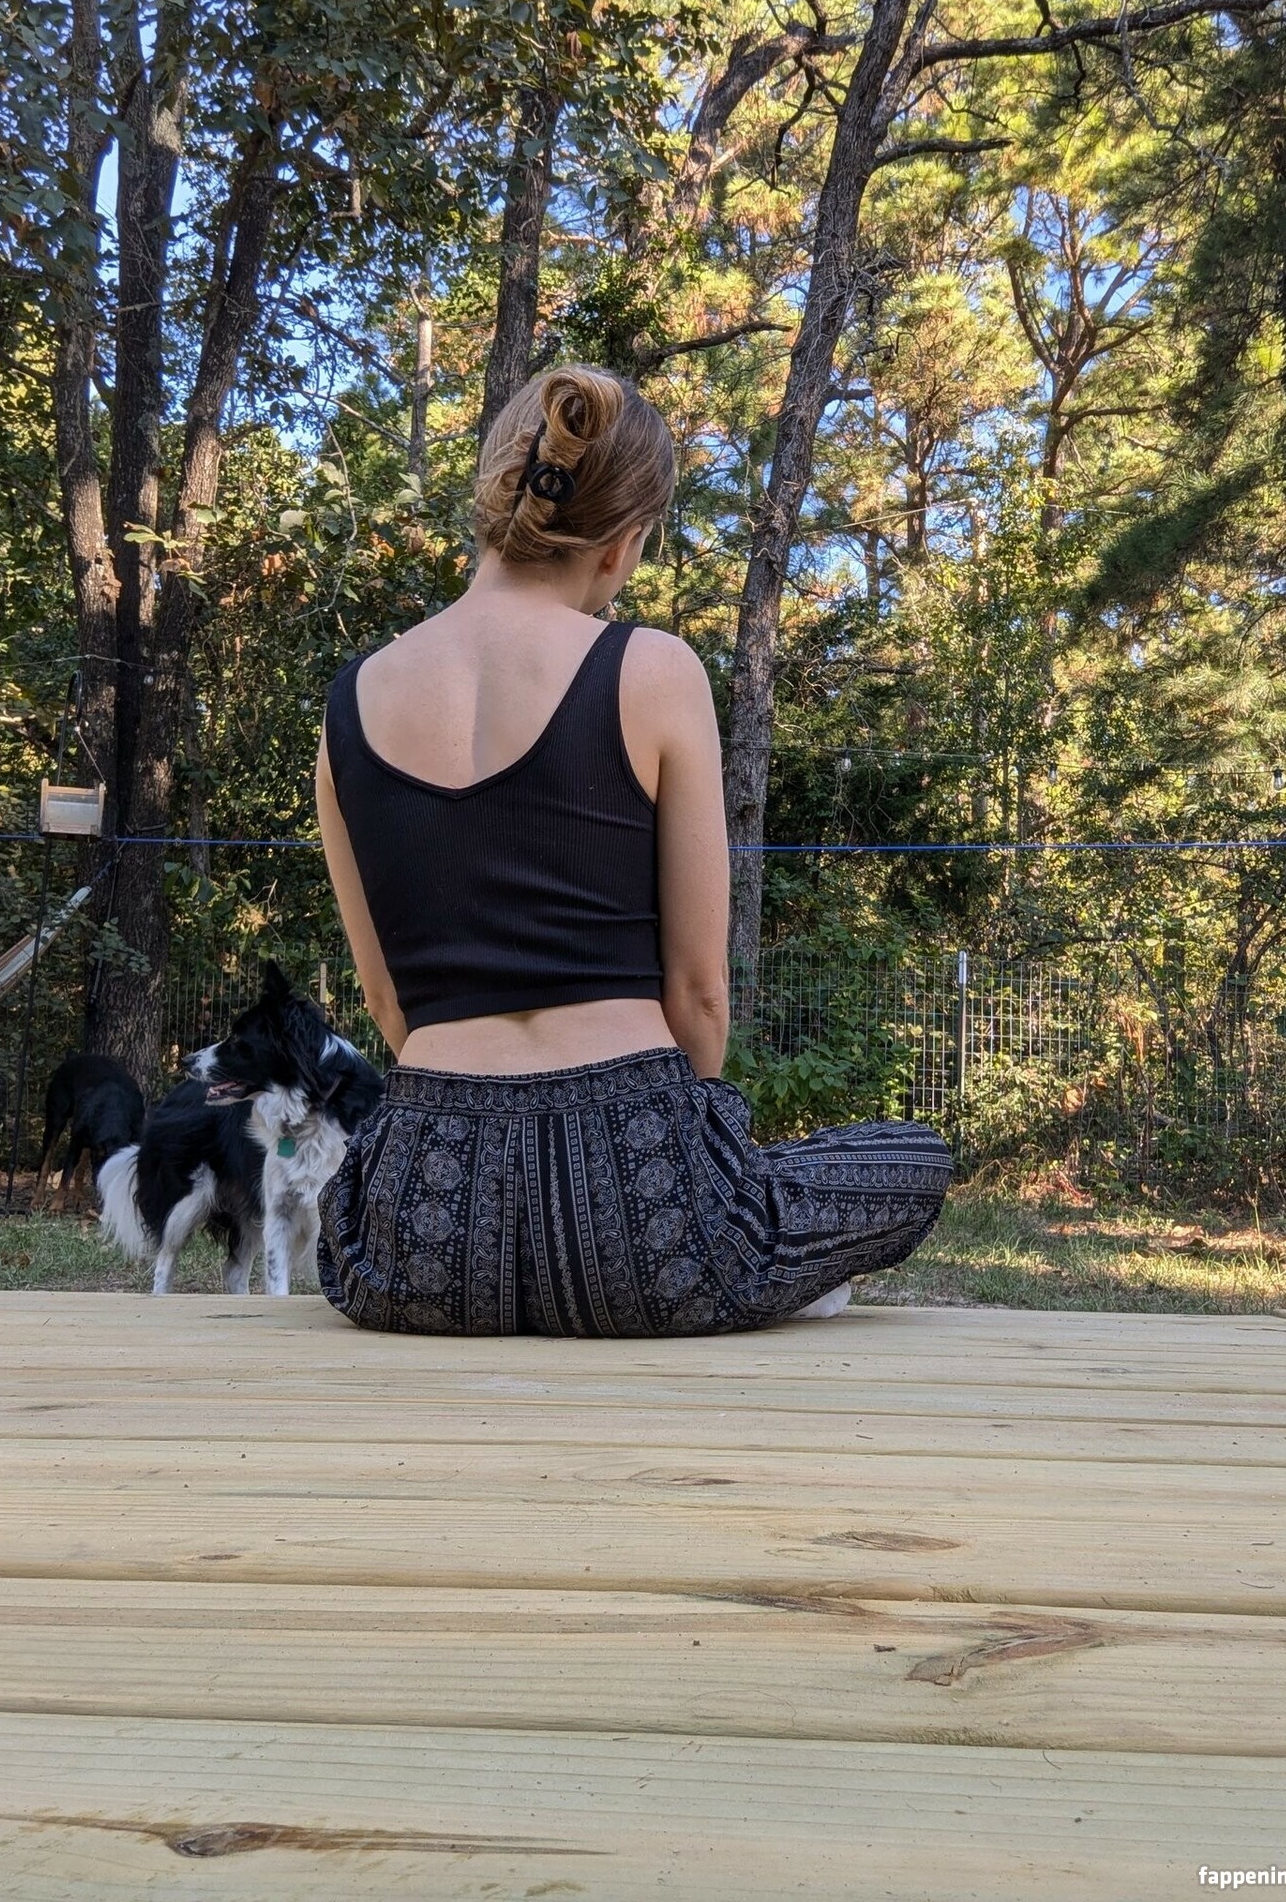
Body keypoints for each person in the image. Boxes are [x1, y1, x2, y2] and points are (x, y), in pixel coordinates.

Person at [315, 364, 951, 1336]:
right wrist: (664, 1167)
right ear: (621, 543)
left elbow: (390, 1005)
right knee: (912, 1159)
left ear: (495, 498)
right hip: (645, 1222)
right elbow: (699, 998)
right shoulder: (650, 669)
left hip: (420, 1231)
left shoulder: (349, 705)